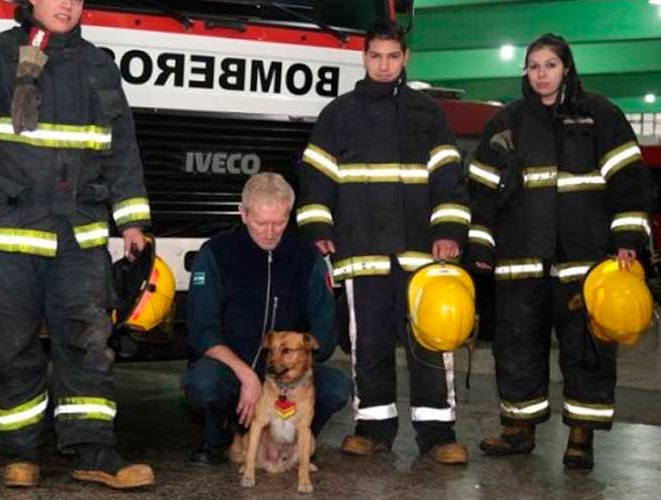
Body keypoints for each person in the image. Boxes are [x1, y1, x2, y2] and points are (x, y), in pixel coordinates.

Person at [0, 0, 154, 489]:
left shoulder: (99, 65)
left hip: (77, 235)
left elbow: (121, 148)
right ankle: (20, 453)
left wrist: (133, 222)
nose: (67, 4)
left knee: (89, 342)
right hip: (9, 234)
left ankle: (95, 451)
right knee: (12, 347)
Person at [468, 33, 654, 469]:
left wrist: (627, 240)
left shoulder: (600, 116)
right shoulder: (506, 124)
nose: (541, 74)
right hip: (520, 261)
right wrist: (480, 246)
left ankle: (581, 437)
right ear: (526, 73)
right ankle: (518, 430)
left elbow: (630, 182)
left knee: (587, 349)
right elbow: (479, 190)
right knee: (517, 346)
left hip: (585, 262)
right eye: (533, 66)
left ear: (566, 68)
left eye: (550, 65)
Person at [296, 20, 470, 465]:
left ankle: (437, 434)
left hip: (420, 254)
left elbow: (449, 178)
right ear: (364, 56)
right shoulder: (339, 114)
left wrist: (448, 231)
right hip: (362, 251)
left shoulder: (428, 114)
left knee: (430, 342)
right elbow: (315, 181)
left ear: (406, 58)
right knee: (367, 343)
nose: (385, 64)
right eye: (376, 56)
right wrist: (319, 230)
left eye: (393, 56)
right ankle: (373, 427)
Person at [182, 172, 353, 466]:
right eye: (262, 223)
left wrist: (290, 376)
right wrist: (247, 376)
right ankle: (217, 437)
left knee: (337, 387)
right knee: (203, 382)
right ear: (243, 213)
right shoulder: (216, 253)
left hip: (288, 377)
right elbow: (201, 332)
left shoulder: (306, 256)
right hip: (234, 375)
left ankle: (295, 443)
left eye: (280, 222)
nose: (271, 232)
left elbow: (324, 330)